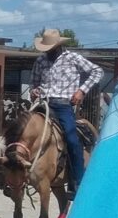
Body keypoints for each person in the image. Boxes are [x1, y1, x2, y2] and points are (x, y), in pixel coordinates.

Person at [29, 28, 103, 198]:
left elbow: (97, 71)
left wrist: (82, 91)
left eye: (50, 48)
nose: (47, 52)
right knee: (21, 131)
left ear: (57, 46)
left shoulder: (72, 58)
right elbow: (34, 82)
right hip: (42, 103)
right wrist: (34, 91)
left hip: (63, 105)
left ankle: (77, 181)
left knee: (71, 139)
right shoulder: (40, 60)